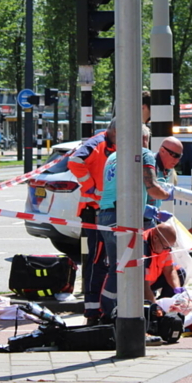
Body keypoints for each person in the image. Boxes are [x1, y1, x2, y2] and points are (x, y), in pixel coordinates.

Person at [98, 125, 172, 318]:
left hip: (106, 215)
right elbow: (152, 187)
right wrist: (168, 194)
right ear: (144, 139)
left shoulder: (113, 157)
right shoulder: (144, 154)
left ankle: (108, 311)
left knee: (116, 267)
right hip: (124, 217)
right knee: (133, 267)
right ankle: (136, 316)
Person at [68, 121, 117, 323]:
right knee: (96, 261)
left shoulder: (115, 146)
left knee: (105, 261)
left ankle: (102, 307)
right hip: (93, 211)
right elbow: (75, 161)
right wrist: (92, 186)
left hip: (106, 211)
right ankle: (92, 311)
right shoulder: (97, 143)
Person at [144, 221, 182, 301]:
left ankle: (167, 303)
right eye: (165, 247)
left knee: (180, 272)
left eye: (169, 247)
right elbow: (143, 285)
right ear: (155, 238)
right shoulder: (143, 247)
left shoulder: (163, 244)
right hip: (139, 285)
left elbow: (170, 270)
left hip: (152, 280)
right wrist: (155, 307)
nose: (167, 250)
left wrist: (177, 289)